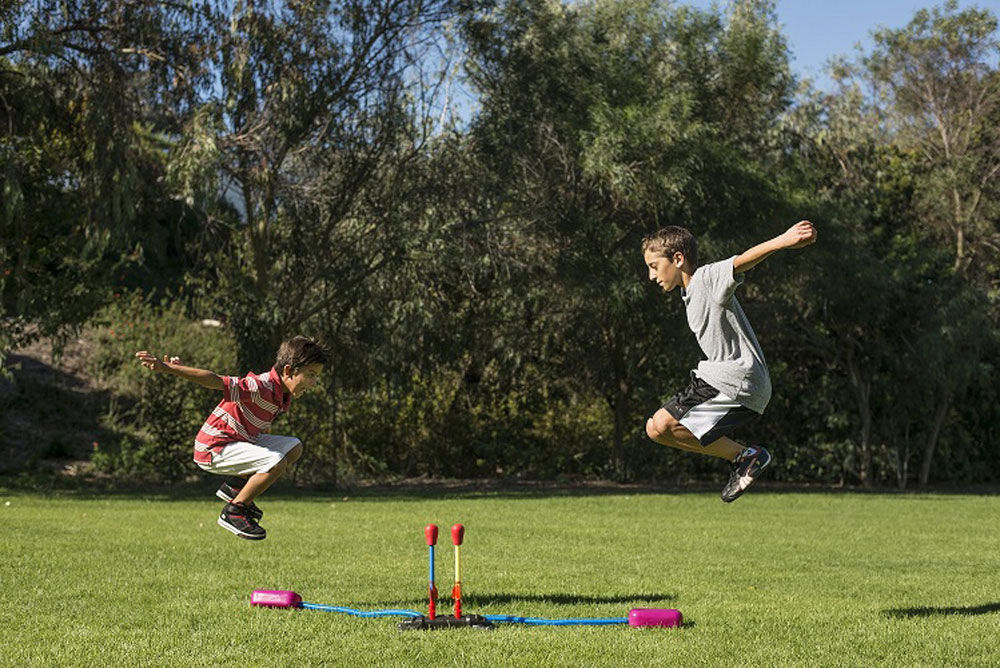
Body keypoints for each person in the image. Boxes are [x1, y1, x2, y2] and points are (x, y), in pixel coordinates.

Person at [642, 221, 817, 502]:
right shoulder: (689, 294)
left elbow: (741, 262)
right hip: (719, 379)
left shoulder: (705, 279)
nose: (651, 276)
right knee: (656, 429)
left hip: (739, 380)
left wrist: (782, 240)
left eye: (653, 266)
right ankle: (744, 457)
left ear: (677, 259)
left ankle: (747, 456)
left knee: (662, 424)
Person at [135, 336, 327, 539]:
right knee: (276, 461)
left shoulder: (281, 394)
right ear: (288, 371)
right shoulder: (259, 386)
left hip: (237, 441)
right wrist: (169, 369)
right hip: (213, 448)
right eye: (311, 375)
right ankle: (234, 511)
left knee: (294, 447)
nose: (314, 383)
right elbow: (215, 381)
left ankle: (235, 487)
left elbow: (259, 423)